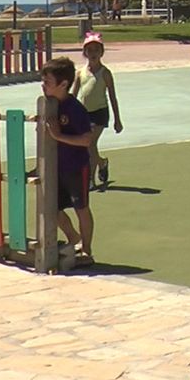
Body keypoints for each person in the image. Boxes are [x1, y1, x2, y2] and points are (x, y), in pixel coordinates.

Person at [40, 57, 96, 263]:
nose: (43, 85)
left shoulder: (75, 108)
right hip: (57, 167)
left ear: (63, 84)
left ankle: (87, 250)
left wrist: (59, 136)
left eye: (48, 82)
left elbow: (86, 140)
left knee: (81, 208)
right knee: (51, 207)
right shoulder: (49, 105)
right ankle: (73, 237)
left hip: (76, 167)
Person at [74, 32, 123, 190]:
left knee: (90, 143)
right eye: (89, 50)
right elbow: (73, 96)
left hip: (100, 113)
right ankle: (102, 163)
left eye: (96, 50)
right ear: (85, 53)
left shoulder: (105, 73)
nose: (93, 53)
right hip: (84, 114)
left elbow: (113, 97)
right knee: (89, 145)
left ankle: (90, 179)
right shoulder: (80, 73)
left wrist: (117, 119)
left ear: (101, 52)